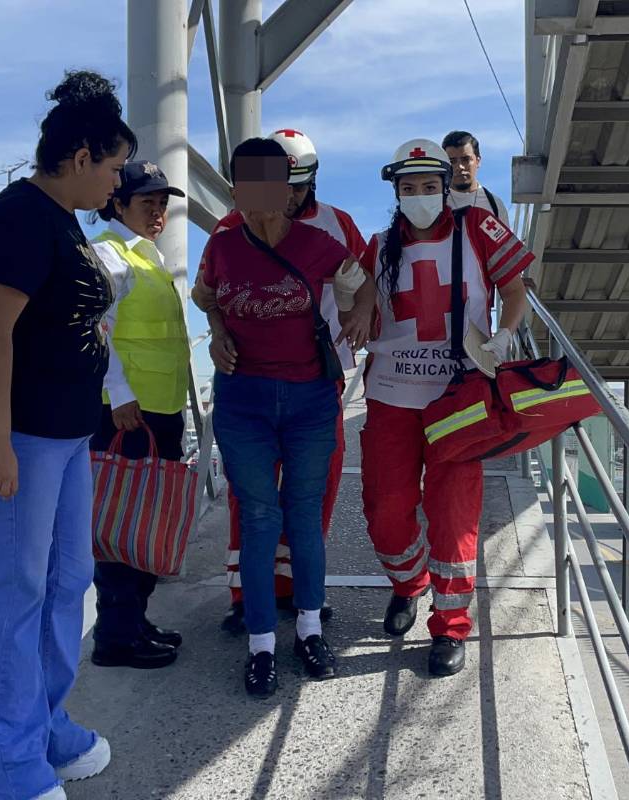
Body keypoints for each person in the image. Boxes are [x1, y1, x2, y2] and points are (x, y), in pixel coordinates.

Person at [0, 70, 134, 800]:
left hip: (62, 435)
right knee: (20, 590)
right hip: (17, 434)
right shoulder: (18, 217)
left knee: (67, 583)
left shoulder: (62, 221)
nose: (117, 184)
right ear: (82, 155)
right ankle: (3, 769)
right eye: (115, 168)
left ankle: (44, 725)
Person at [201, 137, 376, 697]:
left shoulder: (319, 243)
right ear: (236, 191)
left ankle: (307, 629)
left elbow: (363, 283)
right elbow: (206, 297)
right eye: (246, 187)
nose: (258, 199)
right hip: (243, 400)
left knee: (302, 515)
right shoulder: (223, 245)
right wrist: (219, 334)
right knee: (257, 517)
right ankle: (260, 646)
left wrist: (359, 316)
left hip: (308, 400)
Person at [361, 138, 534, 677]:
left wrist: (505, 335)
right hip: (391, 395)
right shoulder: (379, 244)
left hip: (458, 398)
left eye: (429, 187)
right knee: (385, 512)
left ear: (445, 187)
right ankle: (409, 583)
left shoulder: (479, 229)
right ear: (395, 192)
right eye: (408, 188)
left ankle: (450, 624)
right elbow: (358, 302)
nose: (419, 196)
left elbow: (516, 289)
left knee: (454, 516)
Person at [86, 160, 189, 670]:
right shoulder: (111, 254)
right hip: (127, 413)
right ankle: (115, 636)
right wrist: (119, 392)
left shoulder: (148, 257)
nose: (158, 211)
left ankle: (133, 622)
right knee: (122, 525)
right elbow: (96, 328)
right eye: (147, 201)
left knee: (145, 522)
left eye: (162, 202)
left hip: (159, 409)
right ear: (117, 204)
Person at [442, 130, 509, 225]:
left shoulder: (495, 205)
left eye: (466, 159)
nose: (459, 167)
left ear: (478, 161)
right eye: (452, 161)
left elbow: (505, 240)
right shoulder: (437, 203)